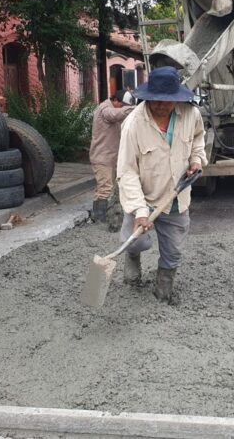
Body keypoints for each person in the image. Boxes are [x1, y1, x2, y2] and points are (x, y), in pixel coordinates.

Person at [117, 66, 207, 304]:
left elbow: (198, 138)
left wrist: (196, 160)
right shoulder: (133, 124)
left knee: (174, 250)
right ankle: (132, 265)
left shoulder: (190, 114)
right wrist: (140, 210)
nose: (160, 105)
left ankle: (162, 292)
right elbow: (127, 172)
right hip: (143, 197)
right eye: (155, 100)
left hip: (176, 197)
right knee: (135, 240)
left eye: (167, 100)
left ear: (177, 97)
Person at [89, 89, 135, 222]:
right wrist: (136, 108)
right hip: (102, 157)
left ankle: (104, 216)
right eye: (122, 105)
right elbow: (115, 115)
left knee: (111, 187)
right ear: (115, 100)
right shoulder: (105, 109)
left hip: (111, 157)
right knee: (104, 188)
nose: (123, 108)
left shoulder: (113, 107)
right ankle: (99, 219)